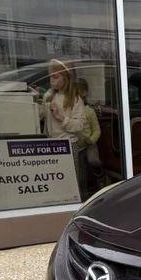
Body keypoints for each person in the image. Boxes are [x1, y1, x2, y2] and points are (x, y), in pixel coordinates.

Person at [42, 59, 89, 196]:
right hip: (50, 144)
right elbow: (42, 119)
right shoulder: (48, 96)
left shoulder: (75, 99)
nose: (52, 80)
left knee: (70, 182)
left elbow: (80, 125)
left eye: (56, 77)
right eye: (50, 76)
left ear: (66, 78)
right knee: (54, 181)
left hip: (68, 145)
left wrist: (61, 118)